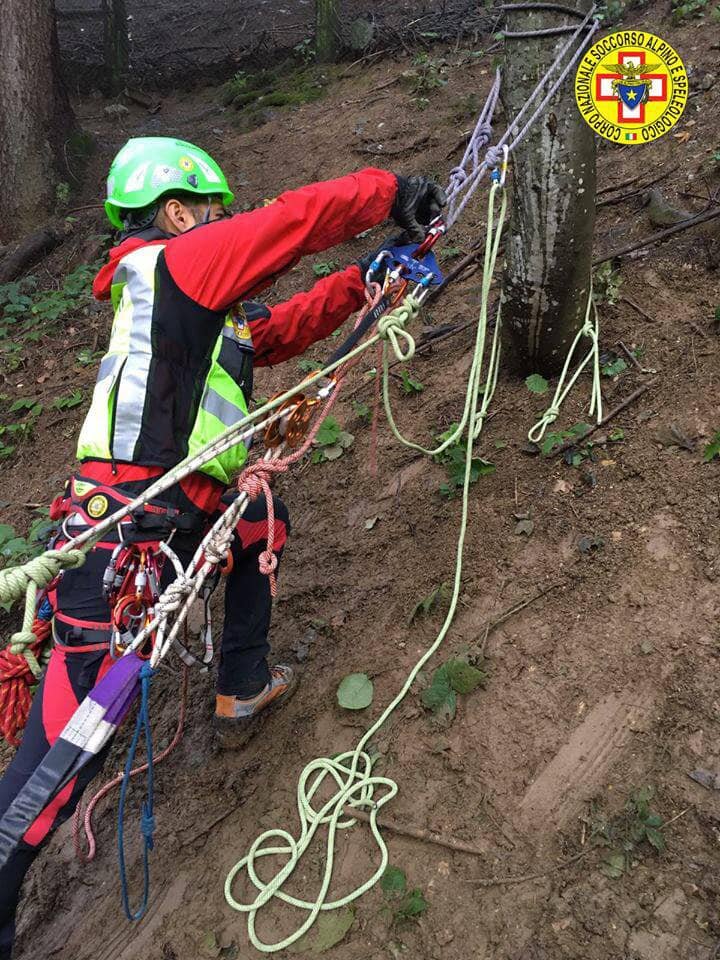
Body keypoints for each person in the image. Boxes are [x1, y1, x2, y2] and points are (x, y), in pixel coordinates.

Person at [0, 136, 446, 956]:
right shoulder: (175, 269)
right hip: (125, 536)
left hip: (179, 514)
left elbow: (283, 326)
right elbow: (291, 223)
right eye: (211, 212)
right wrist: (393, 190)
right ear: (179, 213)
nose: (222, 223)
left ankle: (240, 684)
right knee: (70, 749)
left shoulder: (207, 310)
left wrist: (368, 277)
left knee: (259, 523)